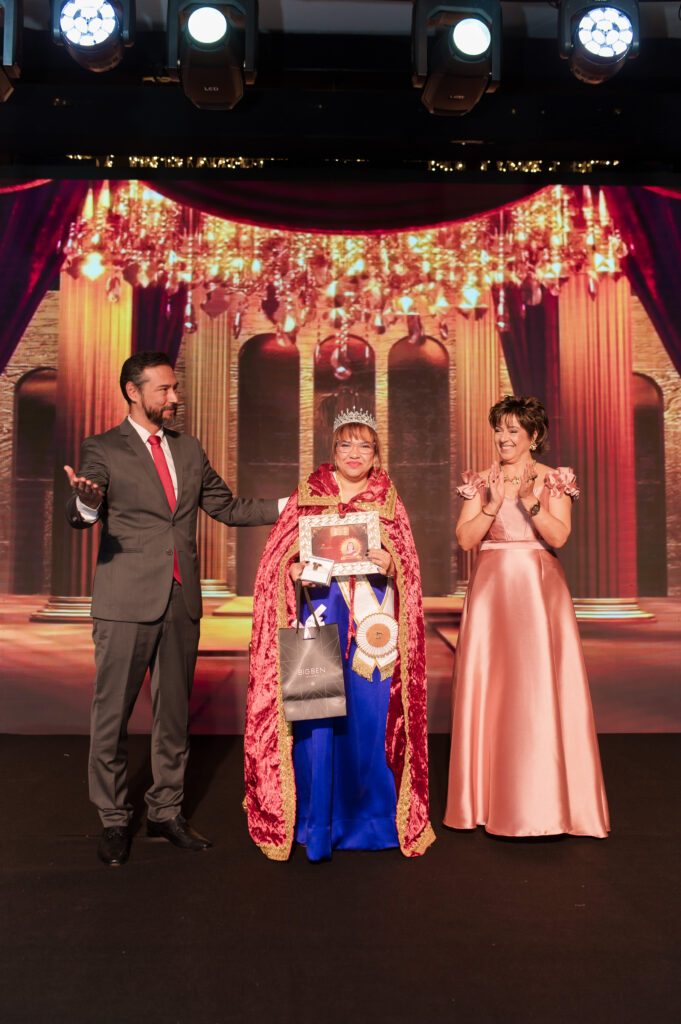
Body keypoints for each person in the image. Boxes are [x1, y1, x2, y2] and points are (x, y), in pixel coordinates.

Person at [65, 351, 281, 866]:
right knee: (111, 714)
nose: (174, 397)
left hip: (181, 602)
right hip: (125, 602)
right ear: (132, 391)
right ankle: (114, 818)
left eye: (174, 387)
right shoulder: (102, 447)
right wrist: (88, 502)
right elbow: (82, 512)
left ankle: (165, 811)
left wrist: (291, 506)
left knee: (174, 715)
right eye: (163, 389)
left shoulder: (188, 448)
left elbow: (226, 507)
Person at [244, 408, 435, 861]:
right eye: (346, 444)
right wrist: (291, 569)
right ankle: (318, 822)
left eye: (364, 445)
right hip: (321, 615)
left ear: (376, 453)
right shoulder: (308, 494)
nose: (354, 453)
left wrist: (391, 562)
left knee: (371, 720)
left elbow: (407, 563)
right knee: (317, 720)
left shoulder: (388, 499)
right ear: (333, 449)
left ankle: (370, 820)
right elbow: (275, 559)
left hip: (373, 627)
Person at [444, 395, 610, 838]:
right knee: (492, 687)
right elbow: (465, 539)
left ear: (533, 436)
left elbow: (561, 536)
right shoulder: (481, 480)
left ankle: (545, 801)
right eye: (499, 429)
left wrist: (529, 500)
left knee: (536, 687)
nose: (503, 437)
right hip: (491, 591)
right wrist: (493, 503)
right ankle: (483, 801)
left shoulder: (555, 479)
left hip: (538, 591)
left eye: (513, 430)